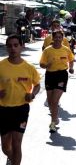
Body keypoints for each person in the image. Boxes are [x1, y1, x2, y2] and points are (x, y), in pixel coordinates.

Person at [0, 34, 40, 165]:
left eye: (16, 45)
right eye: (10, 46)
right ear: (6, 48)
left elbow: (37, 85)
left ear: (22, 46)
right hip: (3, 110)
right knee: (6, 147)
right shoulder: (1, 66)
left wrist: (32, 94)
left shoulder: (29, 68)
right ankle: (11, 158)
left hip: (21, 109)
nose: (13, 48)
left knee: (17, 143)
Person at [40, 30, 74, 133]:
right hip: (50, 75)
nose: (58, 39)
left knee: (55, 101)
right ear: (53, 38)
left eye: (60, 37)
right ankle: (55, 118)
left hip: (61, 75)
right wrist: (46, 65)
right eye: (56, 37)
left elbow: (71, 59)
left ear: (62, 38)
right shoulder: (47, 50)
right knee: (50, 102)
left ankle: (53, 123)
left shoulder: (66, 50)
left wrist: (71, 68)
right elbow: (41, 64)